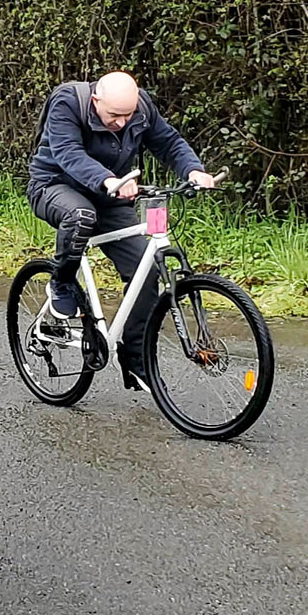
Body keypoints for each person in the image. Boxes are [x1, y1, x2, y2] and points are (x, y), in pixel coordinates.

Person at [28, 71, 216, 389]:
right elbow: (68, 153)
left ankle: (135, 359)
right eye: (114, 115)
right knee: (81, 214)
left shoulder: (140, 108)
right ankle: (61, 283)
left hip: (110, 194)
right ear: (97, 101)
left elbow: (168, 142)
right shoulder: (69, 103)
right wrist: (110, 180)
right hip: (54, 186)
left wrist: (193, 169)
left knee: (146, 267)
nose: (121, 123)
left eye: (128, 115)